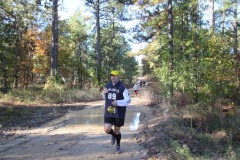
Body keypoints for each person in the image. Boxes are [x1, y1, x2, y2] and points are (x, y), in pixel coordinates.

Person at [101, 70, 131, 154]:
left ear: (118, 76)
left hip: (119, 112)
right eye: (112, 75)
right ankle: (113, 135)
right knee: (107, 129)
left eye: (115, 75)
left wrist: (118, 102)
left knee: (117, 131)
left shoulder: (122, 87)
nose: (113, 77)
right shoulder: (107, 85)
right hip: (109, 111)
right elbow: (104, 96)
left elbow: (128, 100)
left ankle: (118, 145)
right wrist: (103, 93)